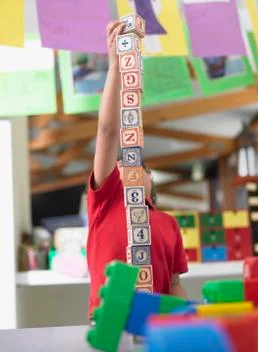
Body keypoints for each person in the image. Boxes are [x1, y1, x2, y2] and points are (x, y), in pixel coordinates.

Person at [86, 20, 188, 320]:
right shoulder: (104, 203)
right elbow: (107, 131)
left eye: (135, 165)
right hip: (108, 321)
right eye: (120, 164)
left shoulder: (168, 224)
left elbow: (174, 284)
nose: (125, 166)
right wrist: (115, 66)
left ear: (150, 179)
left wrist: (190, 315)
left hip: (155, 324)